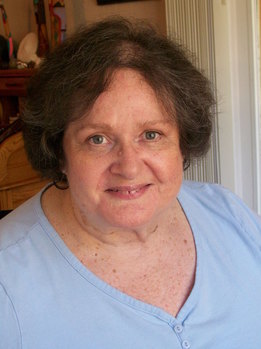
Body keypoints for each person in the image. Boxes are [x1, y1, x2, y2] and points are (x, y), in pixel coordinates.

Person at [0, 17, 261, 349]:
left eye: (151, 135)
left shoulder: (230, 215)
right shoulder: (7, 281)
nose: (129, 166)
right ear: (58, 151)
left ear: (182, 143)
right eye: (97, 139)